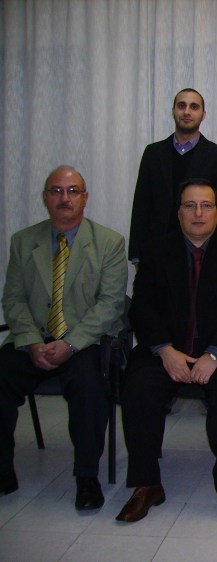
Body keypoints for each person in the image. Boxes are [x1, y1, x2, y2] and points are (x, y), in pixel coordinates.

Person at [116, 179, 217, 526]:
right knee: (138, 389)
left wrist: (214, 354)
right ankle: (147, 484)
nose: (198, 213)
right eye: (190, 205)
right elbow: (142, 309)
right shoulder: (155, 252)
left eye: (206, 206)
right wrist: (165, 350)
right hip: (167, 351)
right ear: (179, 212)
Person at [0, 165, 127, 510]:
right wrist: (31, 342)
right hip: (33, 341)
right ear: (45, 198)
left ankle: (86, 478)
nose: (64, 198)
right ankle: (3, 469)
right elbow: (13, 300)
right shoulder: (23, 241)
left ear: (85, 197)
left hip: (84, 341)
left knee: (90, 386)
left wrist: (70, 344)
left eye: (72, 191)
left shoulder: (109, 242)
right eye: (56, 191)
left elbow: (111, 304)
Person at [128, 88, 217, 264]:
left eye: (194, 107)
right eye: (181, 106)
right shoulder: (153, 153)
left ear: (203, 114)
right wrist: (137, 254)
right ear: (173, 111)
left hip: (203, 252)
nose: (187, 112)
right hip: (157, 250)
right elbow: (142, 204)